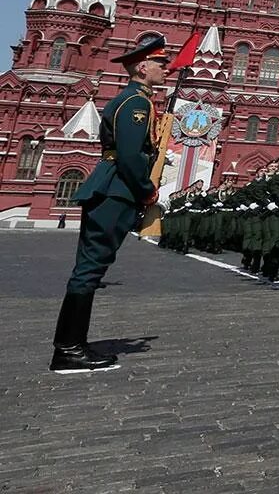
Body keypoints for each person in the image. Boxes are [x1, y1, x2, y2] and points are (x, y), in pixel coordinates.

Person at [51, 32, 170, 373]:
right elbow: (131, 156)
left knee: (89, 269)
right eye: (160, 63)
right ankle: (69, 349)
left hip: (112, 188)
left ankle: (72, 344)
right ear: (142, 67)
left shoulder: (134, 99)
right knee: (89, 271)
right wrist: (147, 189)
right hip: (116, 190)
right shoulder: (135, 103)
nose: (166, 68)